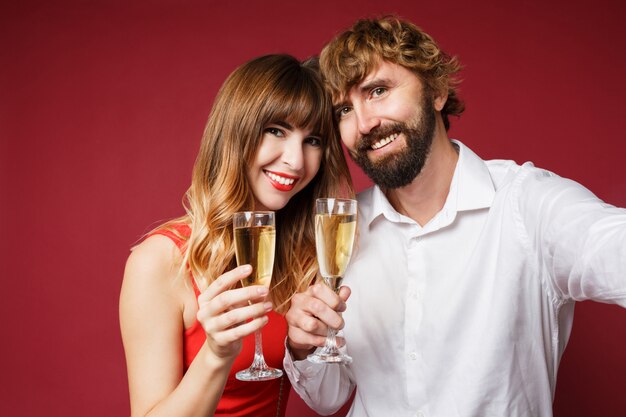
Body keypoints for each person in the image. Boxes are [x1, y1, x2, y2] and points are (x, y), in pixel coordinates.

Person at [283, 16, 626, 417]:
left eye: (378, 91)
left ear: (437, 91)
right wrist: (304, 345)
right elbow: (329, 398)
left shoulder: (525, 204)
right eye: (344, 109)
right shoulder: (343, 229)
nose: (364, 124)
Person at [119, 54, 352, 417]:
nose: (295, 161)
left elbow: (331, 394)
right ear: (235, 131)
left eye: (313, 140)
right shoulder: (160, 261)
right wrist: (215, 353)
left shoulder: (307, 257)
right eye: (276, 130)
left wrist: (305, 349)